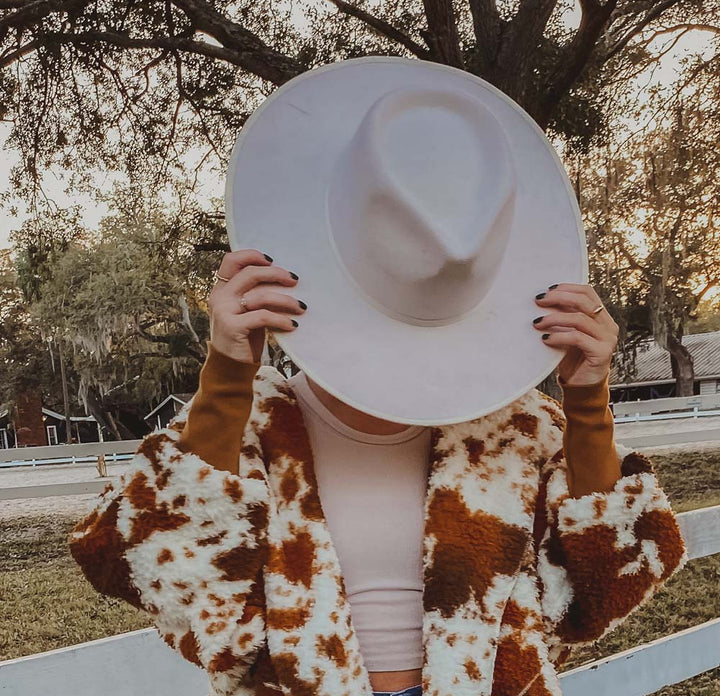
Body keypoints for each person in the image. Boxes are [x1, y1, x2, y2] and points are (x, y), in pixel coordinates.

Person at [69, 247, 688, 696]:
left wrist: (587, 403)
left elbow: (605, 580)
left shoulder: (513, 427)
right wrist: (226, 375)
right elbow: (140, 562)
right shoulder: (255, 424)